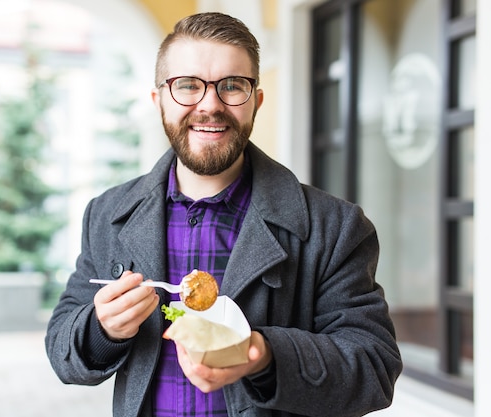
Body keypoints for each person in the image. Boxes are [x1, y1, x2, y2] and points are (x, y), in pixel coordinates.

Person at [45, 11, 402, 417]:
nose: (210, 105)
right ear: (158, 99)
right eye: (187, 86)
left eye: (233, 86)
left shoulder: (334, 227)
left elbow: (374, 368)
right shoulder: (107, 215)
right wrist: (102, 328)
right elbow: (61, 351)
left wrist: (263, 356)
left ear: (256, 101)